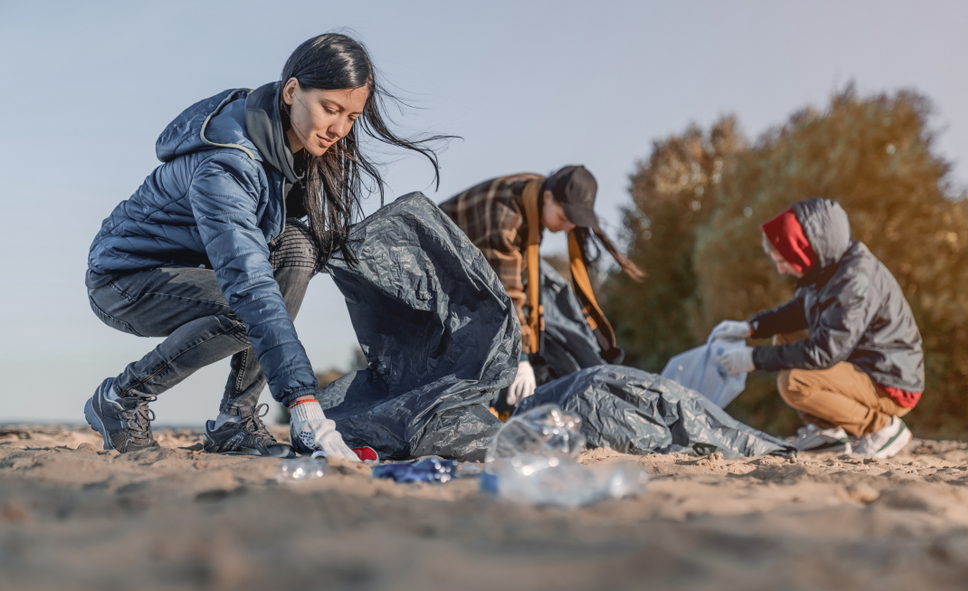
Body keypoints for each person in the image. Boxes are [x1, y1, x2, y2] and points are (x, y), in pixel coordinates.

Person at [84, 33, 444, 459]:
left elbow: (281, 255)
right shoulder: (228, 164)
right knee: (247, 306)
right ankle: (121, 398)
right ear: (292, 91)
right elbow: (249, 284)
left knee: (297, 248)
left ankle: (236, 418)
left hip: (197, 269)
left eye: (351, 117)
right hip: (124, 279)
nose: (339, 129)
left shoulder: (289, 151)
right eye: (330, 109)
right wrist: (302, 401)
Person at [712, 198, 925, 459]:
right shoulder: (827, 266)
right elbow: (799, 311)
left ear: (804, 249)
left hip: (890, 380)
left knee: (793, 383)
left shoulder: (854, 280)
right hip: (863, 366)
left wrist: (752, 358)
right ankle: (826, 433)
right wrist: (751, 327)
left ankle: (882, 428)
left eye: (783, 260)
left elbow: (823, 352)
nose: (780, 270)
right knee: (783, 336)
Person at [440, 166, 645, 407]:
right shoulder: (505, 217)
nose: (569, 227)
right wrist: (521, 359)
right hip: (439, 271)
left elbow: (522, 278)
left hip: (475, 266)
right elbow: (505, 294)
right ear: (548, 197)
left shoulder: (537, 191)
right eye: (564, 217)